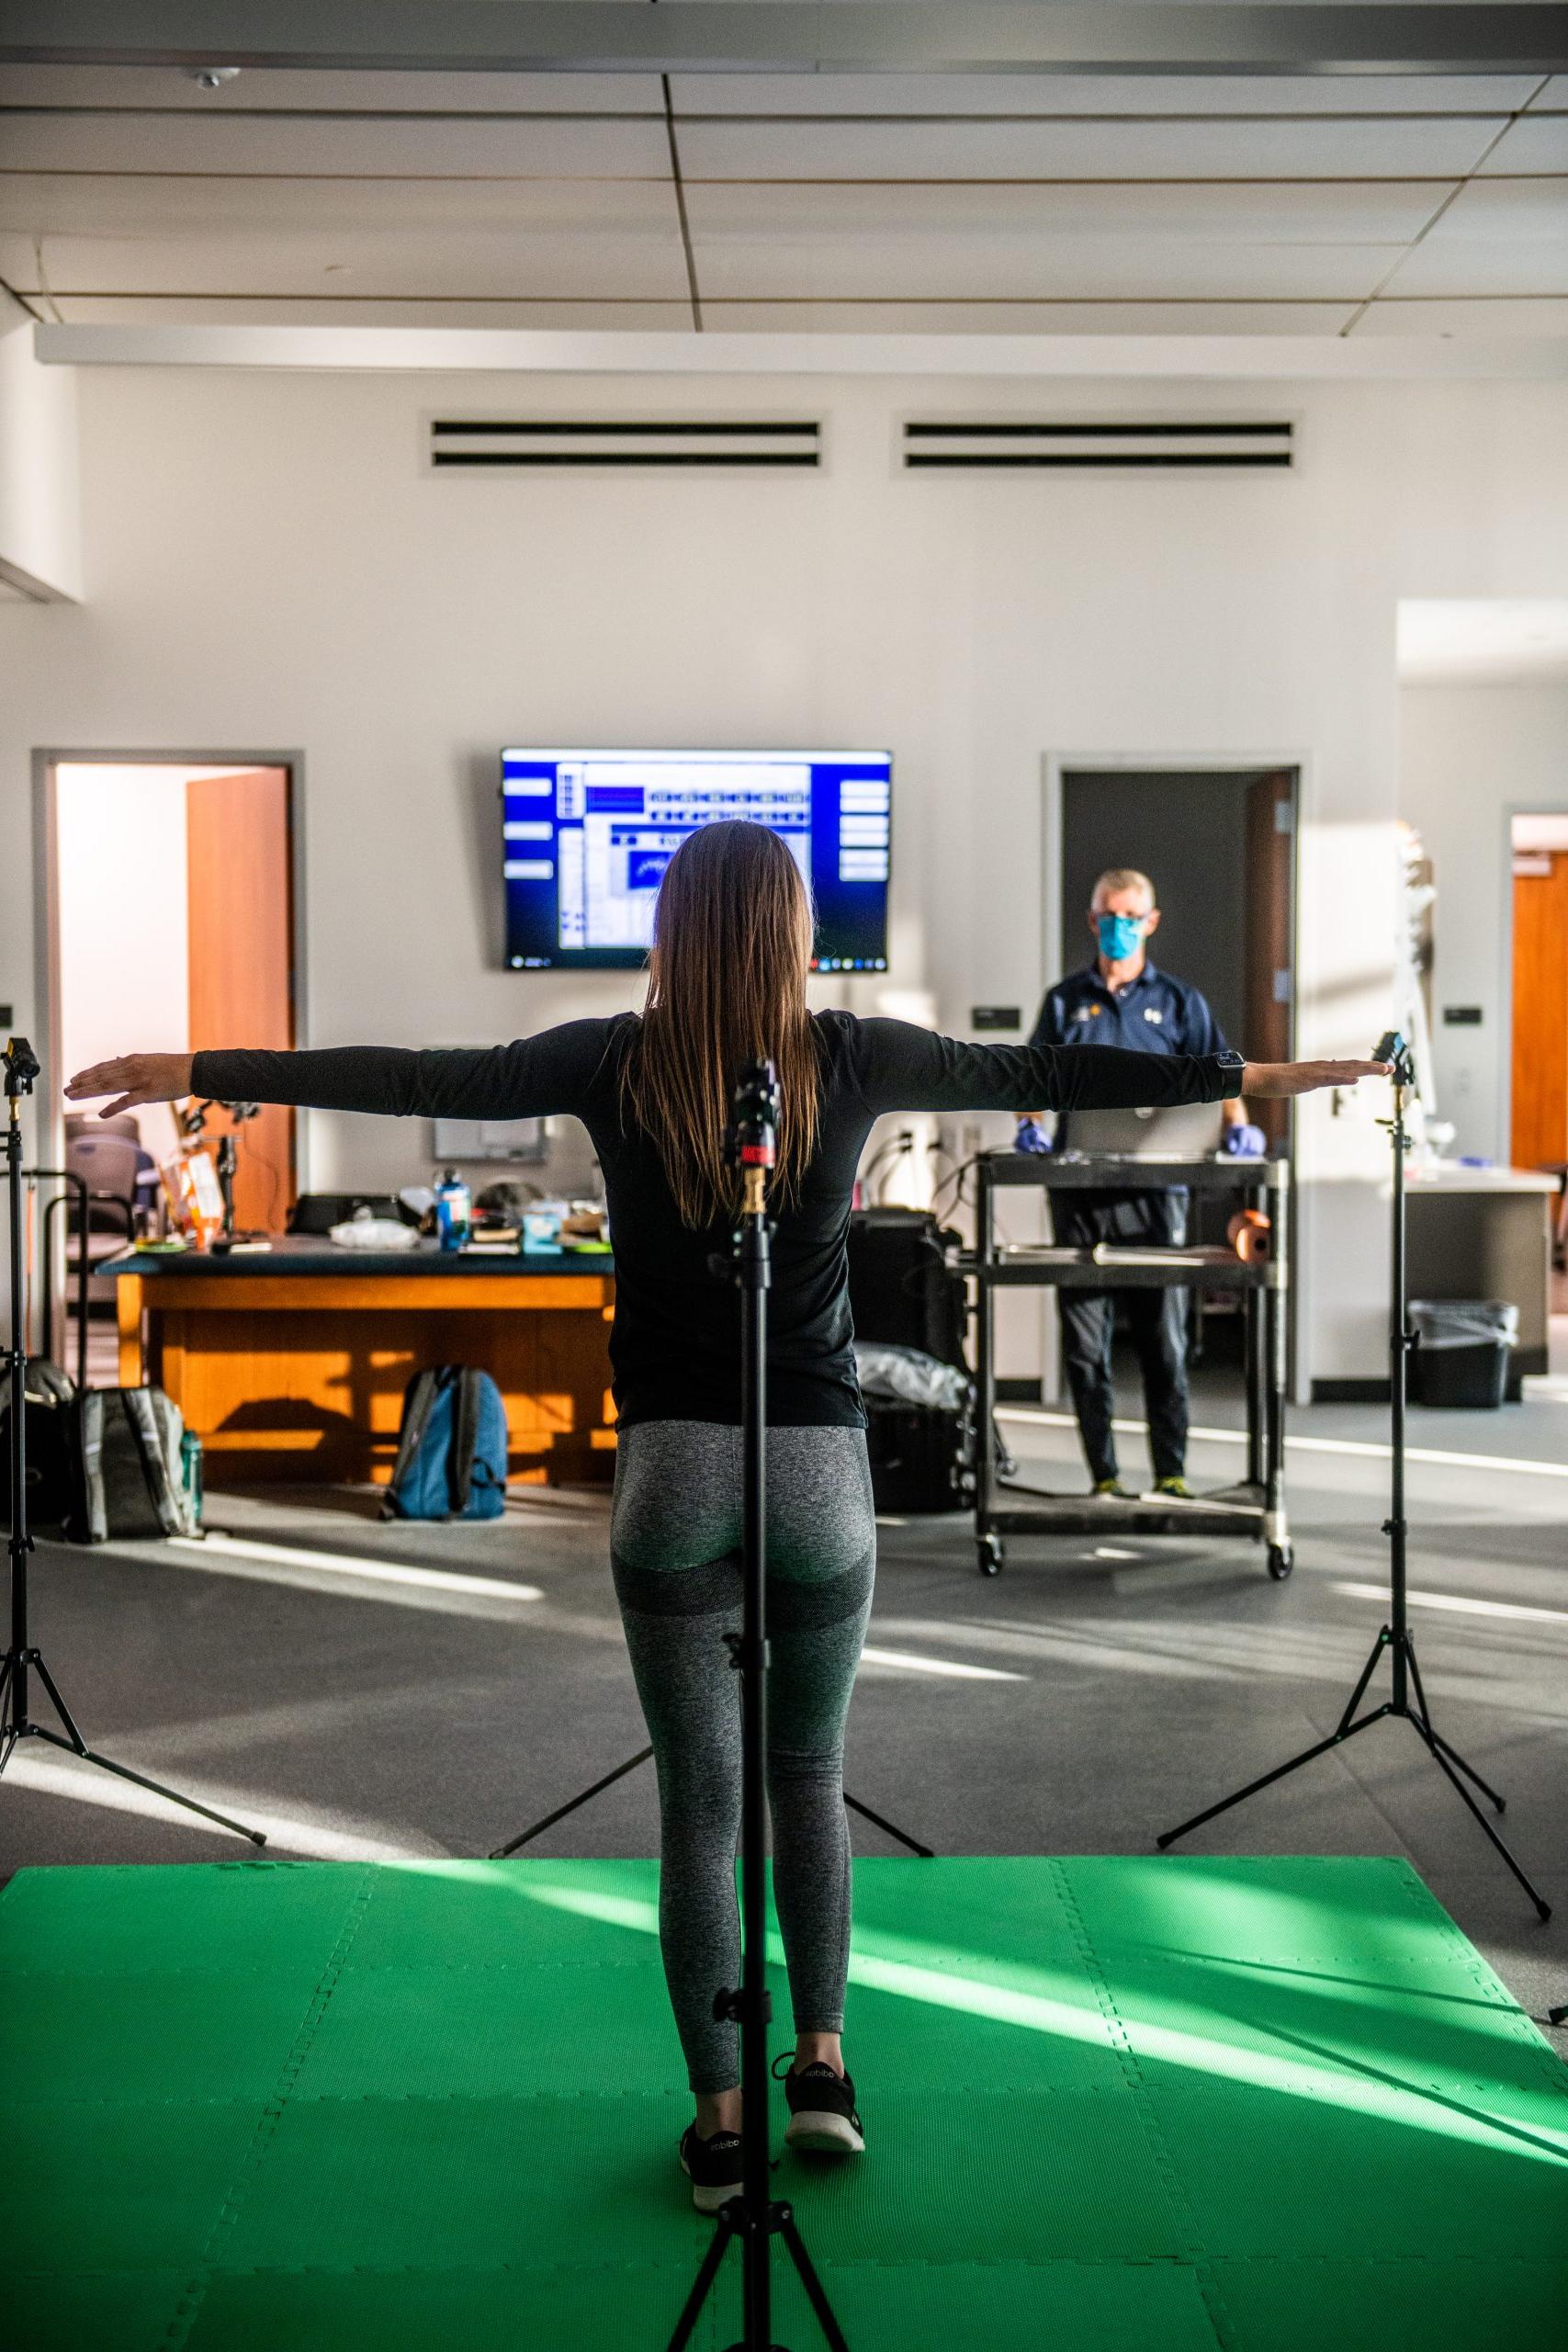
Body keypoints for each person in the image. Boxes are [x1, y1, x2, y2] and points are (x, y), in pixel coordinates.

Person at [66, 822, 1383, 2213]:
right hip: (816, 1473)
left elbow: (405, 1076)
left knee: (700, 1804)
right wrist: (1271, 1074)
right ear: (795, 932)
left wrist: (189, 1070)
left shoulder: (605, 1056)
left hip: (670, 1476)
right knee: (804, 1776)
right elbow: (1055, 1071)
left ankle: (713, 2125)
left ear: (672, 931)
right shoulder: (855, 1054)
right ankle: (820, 2069)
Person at [1027, 865, 1264, 1501]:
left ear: (1150, 922)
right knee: (1084, 1347)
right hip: (1079, 1196)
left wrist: (1239, 1128)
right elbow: (1028, 1082)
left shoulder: (1181, 1003)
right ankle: (1102, 1476)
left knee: (1164, 1340)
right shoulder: (1062, 1002)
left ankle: (1171, 1473)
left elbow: (1225, 1078)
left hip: (1158, 1198)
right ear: (1091, 919)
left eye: (1130, 917)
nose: (1118, 927)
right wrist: (1029, 1127)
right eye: (1109, 916)